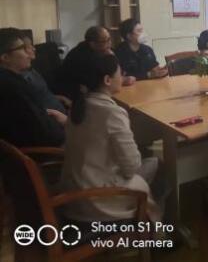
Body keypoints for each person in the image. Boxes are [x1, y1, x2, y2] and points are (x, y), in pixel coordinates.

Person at [61, 53, 162, 223]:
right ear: (107, 80)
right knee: (159, 165)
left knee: (148, 163)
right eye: (120, 72)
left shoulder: (79, 106)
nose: (122, 76)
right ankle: (154, 228)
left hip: (74, 191)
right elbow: (131, 167)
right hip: (99, 197)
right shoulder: (112, 113)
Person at [0, 28, 65, 147]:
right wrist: (69, 126)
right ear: (5, 57)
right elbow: (44, 133)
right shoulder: (13, 88)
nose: (31, 55)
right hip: (49, 150)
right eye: (23, 48)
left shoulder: (14, 81)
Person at [58, 26, 135, 99]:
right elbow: (96, 83)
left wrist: (113, 57)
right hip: (71, 94)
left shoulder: (104, 49)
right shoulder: (82, 56)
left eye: (109, 39)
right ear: (93, 44)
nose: (109, 43)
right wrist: (122, 80)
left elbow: (115, 69)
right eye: (105, 41)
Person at [21, 34, 71, 114]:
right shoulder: (20, 79)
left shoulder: (30, 69)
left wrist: (60, 98)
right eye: (29, 46)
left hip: (61, 110)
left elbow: (43, 94)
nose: (34, 49)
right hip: (52, 116)